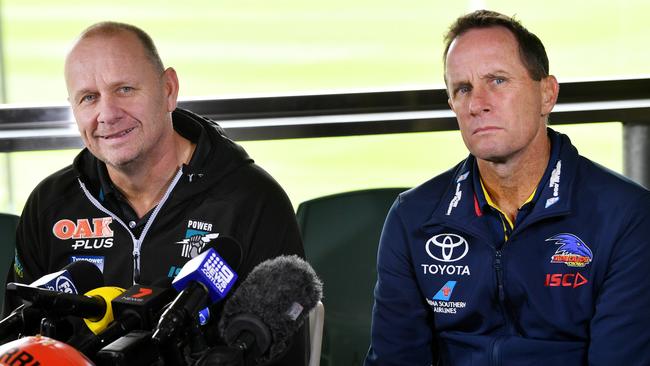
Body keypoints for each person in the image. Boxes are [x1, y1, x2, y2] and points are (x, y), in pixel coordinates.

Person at [5, 22, 306, 365]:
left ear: (168, 89)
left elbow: (284, 355)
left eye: (125, 89)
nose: (107, 114)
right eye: (88, 97)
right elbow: (21, 349)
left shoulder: (254, 202)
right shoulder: (49, 206)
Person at [365, 9, 650, 366]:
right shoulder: (414, 217)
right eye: (463, 89)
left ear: (547, 94)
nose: (477, 104)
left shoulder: (625, 216)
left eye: (497, 81)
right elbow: (395, 359)